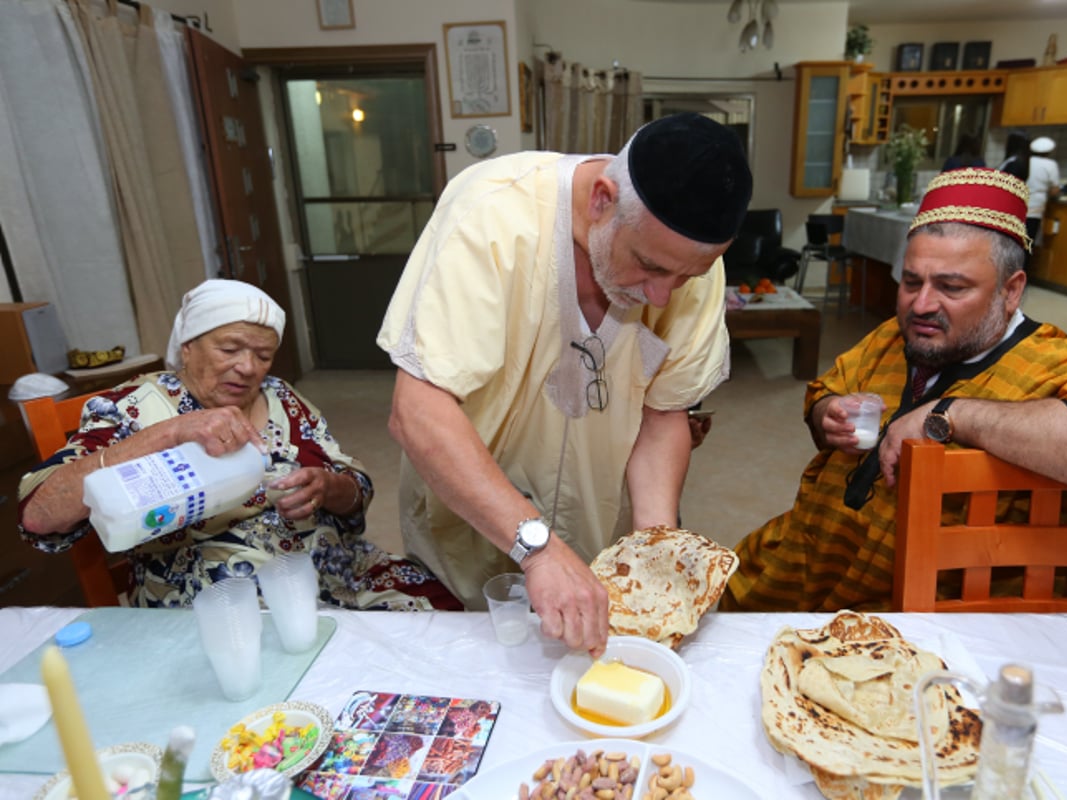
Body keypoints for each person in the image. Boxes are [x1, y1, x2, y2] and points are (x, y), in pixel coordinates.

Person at [376, 113, 753, 654]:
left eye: (685, 278)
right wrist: (540, 549)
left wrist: (652, 546)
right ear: (602, 198)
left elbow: (663, 412)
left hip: (593, 529)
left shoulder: (685, 261)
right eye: (648, 266)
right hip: (470, 526)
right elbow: (418, 409)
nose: (662, 296)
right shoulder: (492, 214)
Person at [721, 168, 1067, 613]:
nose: (921, 305)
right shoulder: (891, 339)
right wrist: (828, 413)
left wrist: (952, 415)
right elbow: (824, 392)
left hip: (916, 613)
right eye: (911, 281)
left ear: (1011, 292)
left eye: (952, 287)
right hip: (799, 561)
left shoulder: (1057, 365)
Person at [18, 278, 460, 610]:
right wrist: (170, 433)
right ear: (187, 346)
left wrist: (328, 487)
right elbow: (39, 514)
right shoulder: (132, 409)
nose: (248, 368)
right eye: (229, 349)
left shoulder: (281, 397)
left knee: (443, 608)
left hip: (334, 570)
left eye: (263, 356)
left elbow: (356, 487)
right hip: (223, 596)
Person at [1026, 136, 1061, 247]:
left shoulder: (1026, 160)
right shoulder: (1051, 165)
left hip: (1019, 203)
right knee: (1029, 239)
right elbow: (1054, 190)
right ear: (1049, 151)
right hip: (1036, 205)